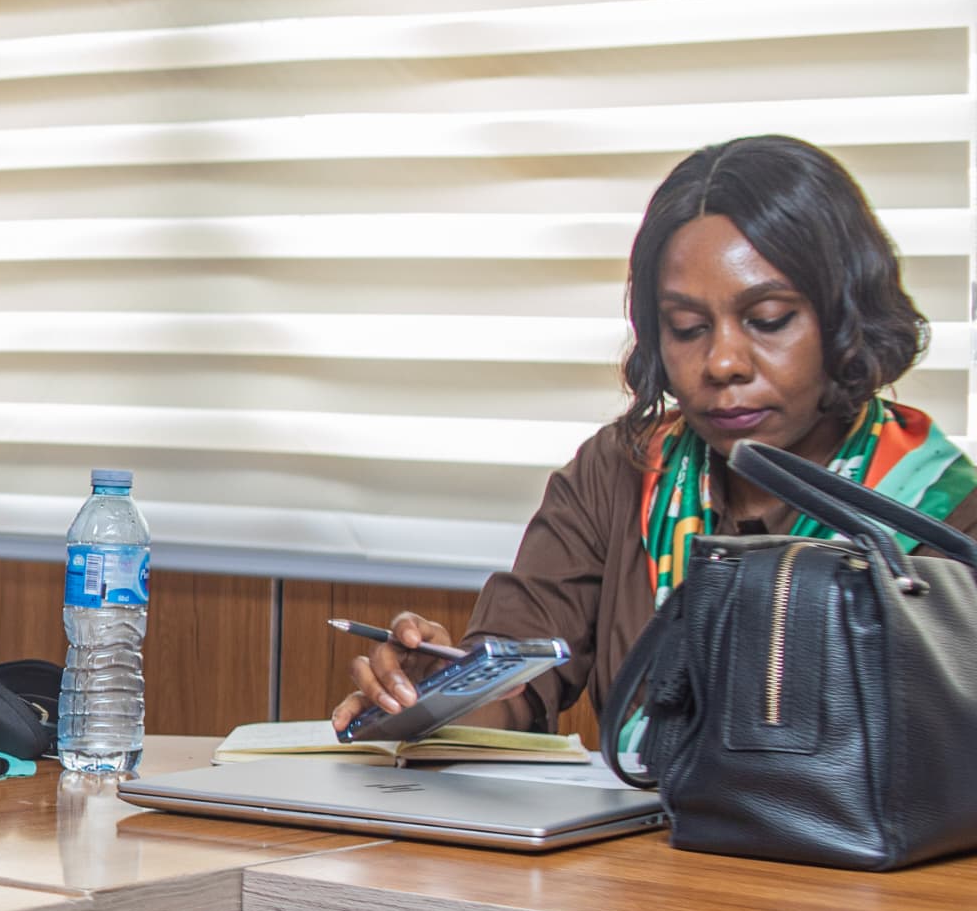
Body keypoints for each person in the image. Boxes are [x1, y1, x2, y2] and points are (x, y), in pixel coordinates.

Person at [335, 135, 977, 741]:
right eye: (688, 328)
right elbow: (517, 685)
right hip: (644, 826)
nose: (723, 362)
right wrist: (435, 694)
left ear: (845, 317)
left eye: (768, 319)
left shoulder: (942, 511)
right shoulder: (620, 468)